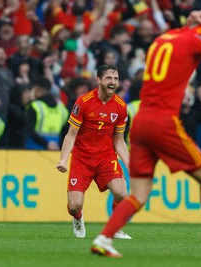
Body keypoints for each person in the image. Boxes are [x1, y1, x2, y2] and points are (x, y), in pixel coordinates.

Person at [91, 10, 201, 258]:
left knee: (139, 194)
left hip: (142, 120)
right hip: (163, 122)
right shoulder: (193, 40)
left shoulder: (162, 40)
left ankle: (104, 238)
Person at [56, 64, 131, 240]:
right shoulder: (83, 102)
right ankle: (78, 218)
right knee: (74, 205)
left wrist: (129, 163)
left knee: (121, 193)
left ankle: (115, 227)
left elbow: (119, 140)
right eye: (109, 78)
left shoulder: (121, 106)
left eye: (116, 78)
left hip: (106, 157)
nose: (113, 82)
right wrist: (63, 160)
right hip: (82, 158)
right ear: (98, 80)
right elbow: (71, 134)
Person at [25, 78, 68, 150]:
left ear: (37, 90)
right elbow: (67, 132)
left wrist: (29, 101)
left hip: (33, 149)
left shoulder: (34, 106)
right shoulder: (62, 109)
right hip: (54, 149)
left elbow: (28, 130)